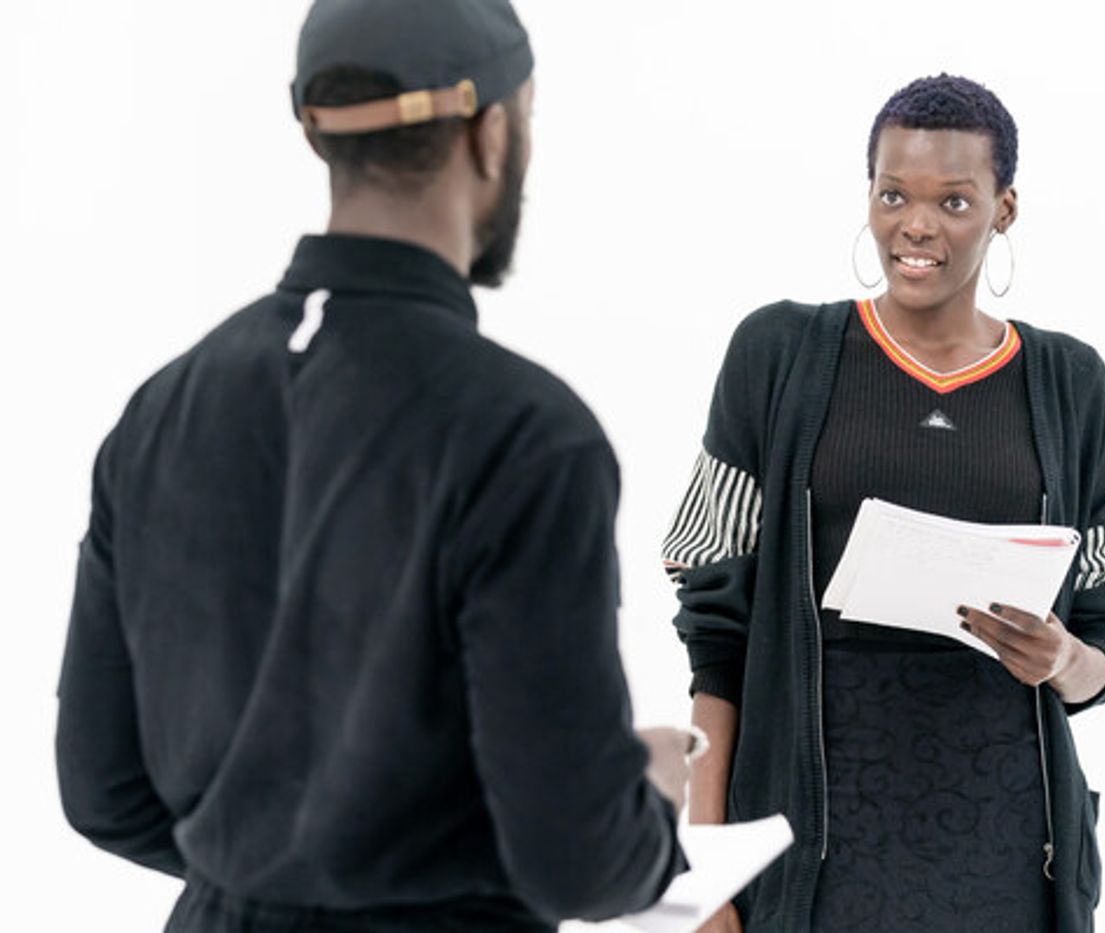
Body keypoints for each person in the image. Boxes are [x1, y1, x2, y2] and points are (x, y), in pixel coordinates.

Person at [55, 2, 691, 930]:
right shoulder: (525, 436)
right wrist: (646, 803)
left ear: (319, 134)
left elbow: (105, 792)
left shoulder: (159, 410)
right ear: (492, 133)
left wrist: (275, 862)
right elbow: (579, 864)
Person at [663, 74, 1105, 933]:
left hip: (1006, 857)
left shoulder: (1069, 383)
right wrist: (705, 873)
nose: (916, 226)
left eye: (953, 201)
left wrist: (1063, 658)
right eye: (893, 195)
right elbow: (716, 639)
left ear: (1003, 209)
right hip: (811, 857)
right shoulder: (778, 355)